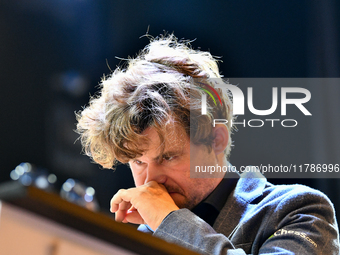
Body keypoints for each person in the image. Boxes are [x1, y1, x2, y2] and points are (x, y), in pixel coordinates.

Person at [76, 34, 339, 254]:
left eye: (168, 157)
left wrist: (169, 222)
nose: (150, 181)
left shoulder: (300, 210)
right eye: (138, 161)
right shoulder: (138, 233)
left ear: (217, 140)